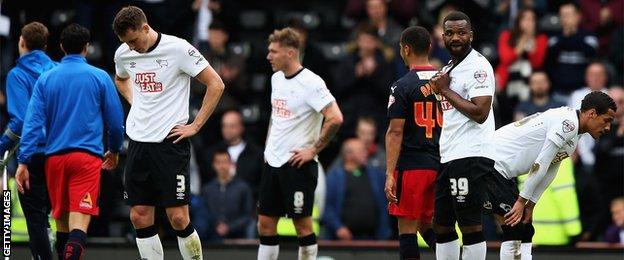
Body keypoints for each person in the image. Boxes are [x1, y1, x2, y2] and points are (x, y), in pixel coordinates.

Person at [112, 6, 224, 260]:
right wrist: (136, 101)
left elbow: (216, 84)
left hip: (169, 144)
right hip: (138, 143)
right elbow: (120, 79)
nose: (131, 47)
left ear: (145, 27)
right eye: (125, 43)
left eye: (134, 40)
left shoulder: (179, 49)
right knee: (138, 216)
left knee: (178, 217)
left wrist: (195, 126)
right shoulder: (124, 53)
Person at [15, 23, 125, 260]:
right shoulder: (99, 77)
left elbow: (32, 124)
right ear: (87, 48)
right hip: (86, 160)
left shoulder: (46, 79)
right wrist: (114, 149)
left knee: (62, 225)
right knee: (79, 224)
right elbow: (116, 122)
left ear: (62, 47)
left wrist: (23, 161)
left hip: (53, 160)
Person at [486, 91, 616, 259]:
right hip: (489, 163)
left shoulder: (574, 134)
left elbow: (550, 170)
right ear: (591, 114)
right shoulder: (566, 123)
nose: (608, 128)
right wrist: (521, 201)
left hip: (502, 171)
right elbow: (540, 163)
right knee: (514, 227)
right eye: (606, 120)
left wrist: (530, 204)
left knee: (525, 227)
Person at [258, 27, 343, 260]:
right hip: (273, 162)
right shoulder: (276, 79)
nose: (269, 56)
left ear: (290, 53)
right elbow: (276, 116)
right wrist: (268, 147)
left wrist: (313, 150)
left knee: (303, 226)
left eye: (274, 51)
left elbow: (335, 117)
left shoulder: (311, 83)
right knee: (265, 224)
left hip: (297, 165)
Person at [428, 11, 497, 260]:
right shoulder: (448, 68)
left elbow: (480, 112)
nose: (455, 37)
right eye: (449, 33)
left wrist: (444, 90)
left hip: (472, 154)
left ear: (471, 35)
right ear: (442, 37)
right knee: (442, 224)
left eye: (461, 32)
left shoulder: (478, 67)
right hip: (450, 155)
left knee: (470, 224)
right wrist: (440, 92)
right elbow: (449, 113)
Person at [0, 21, 56, 260]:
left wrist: (2, 147)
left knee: (36, 217)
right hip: (60, 151)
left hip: (32, 154)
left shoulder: (17, 75)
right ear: (45, 45)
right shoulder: (57, 70)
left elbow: (20, 122)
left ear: (22, 43)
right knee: (58, 216)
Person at [384, 26, 440, 259]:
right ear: (429, 47)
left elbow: (395, 131)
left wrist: (389, 174)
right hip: (441, 163)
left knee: (407, 228)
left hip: (412, 164)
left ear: (405, 49)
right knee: (430, 225)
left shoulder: (402, 86)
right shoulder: (447, 82)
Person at [323, 138, 390, 241]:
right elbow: (326, 207)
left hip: (374, 239)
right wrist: (338, 228)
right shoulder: (334, 177)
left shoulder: (375, 175)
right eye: (361, 151)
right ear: (349, 154)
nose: (366, 153)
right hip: (342, 241)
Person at [545, 2, 598, 99]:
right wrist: (566, 36)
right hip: (559, 93)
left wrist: (571, 35)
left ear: (578, 16)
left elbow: (590, 52)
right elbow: (549, 58)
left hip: (583, 93)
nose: (565, 18)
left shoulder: (589, 36)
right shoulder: (554, 37)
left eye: (568, 15)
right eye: (562, 15)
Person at [200, 149, 253, 240]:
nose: (222, 166)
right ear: (214, 165)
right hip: (212, 235)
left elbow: (247, 215)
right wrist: (216, 226)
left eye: (225, 162)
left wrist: (229, 227)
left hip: (238, 235)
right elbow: (204, 213)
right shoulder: (207, 189)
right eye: (218, 162)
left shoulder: (243, 187)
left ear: (231, 164)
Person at [495, 8, 548, 99]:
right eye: (525, 19)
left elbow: (537, 63)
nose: (528, 22)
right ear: (518, 21)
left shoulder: (541, 39)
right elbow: (506, 59)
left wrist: (532, 40)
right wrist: (523, 40)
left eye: (532, 19)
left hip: (529, 84)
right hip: (506, 81)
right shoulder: (506, 36)